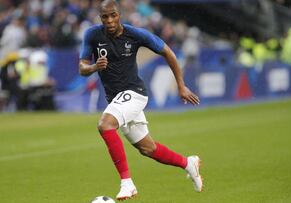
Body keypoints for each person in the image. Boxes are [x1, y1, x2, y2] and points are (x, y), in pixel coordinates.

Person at [79, 0, 202, 200]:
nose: (109, 21)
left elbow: (168, 52)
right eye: (105, 17)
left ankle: (127, 183)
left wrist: (181, 85)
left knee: (105, 125)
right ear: (100, 18)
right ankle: (188, 163)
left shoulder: (135, 34)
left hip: (135, 93)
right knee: (148, 148)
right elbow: (82, 68)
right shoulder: (92, 35)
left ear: (120, 15)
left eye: (113, 15)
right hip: (116, 99)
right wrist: (94, 67)